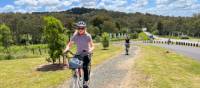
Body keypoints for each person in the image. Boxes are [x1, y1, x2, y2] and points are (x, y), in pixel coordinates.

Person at [63, 21, 94, 88]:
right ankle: (75, 77)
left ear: (85, 28)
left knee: (85, 67)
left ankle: (85, 82)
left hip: (86, 54)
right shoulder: (75, 36)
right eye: (79, 28)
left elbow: (92, 46)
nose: (80, 29)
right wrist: (66, 49)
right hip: (78, 54)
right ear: (77, 28)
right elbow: (69, 44)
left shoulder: (88, 36)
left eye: (82, 28)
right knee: (73, 66)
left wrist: (89, 50)